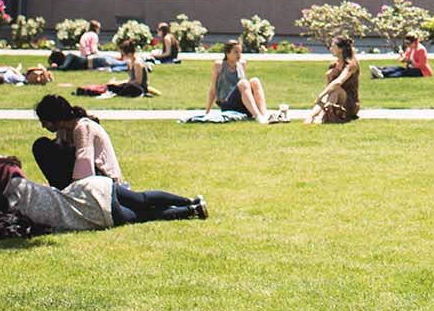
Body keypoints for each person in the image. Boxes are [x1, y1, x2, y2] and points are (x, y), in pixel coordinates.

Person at [31, 94, 204, 223]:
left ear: (55, 119)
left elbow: (84, 159)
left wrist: (75, 191)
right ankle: (192, 208)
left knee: (140, 202)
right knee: (139, 210)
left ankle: (188, 202)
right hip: (94, 181)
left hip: (105, 180)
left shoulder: (82, 128)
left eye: (44, 121)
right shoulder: (64, 131)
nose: (43, 126)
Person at [206, 41, 269, 123]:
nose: (239, 55)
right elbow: (213, 89)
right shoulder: (219, 65)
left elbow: (246, 90)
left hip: (242, 103)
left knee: (255, 81)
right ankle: (258, 117)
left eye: (240, 52)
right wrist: (207, 111)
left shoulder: (242, 63)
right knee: (243, 83)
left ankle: (264, 115)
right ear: (227, 53)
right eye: (236, 52)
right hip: (227, 103)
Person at [307, 36, 360, 124]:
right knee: (331, 93)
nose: (330, 49)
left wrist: (320, 96)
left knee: (336, 90)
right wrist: (329, 77)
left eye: (333, 46)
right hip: (334, 99)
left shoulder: (351, 64)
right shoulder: (333, 65)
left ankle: (322, 117)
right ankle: (311, 116)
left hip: (350, 103)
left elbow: (338, 82)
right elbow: (329, 87)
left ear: (340, 49)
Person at [76, 39, 151, 98]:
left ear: (130, 53)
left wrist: (120, 83)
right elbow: (131, 79)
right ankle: (88, 90)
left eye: (123, 54)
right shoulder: (130, 62)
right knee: (112, 86)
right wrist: (119, 82)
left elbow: (138, 82)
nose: (122, 57)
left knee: (115, 87)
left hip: (139, 88)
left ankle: (92, 91)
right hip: (132, 85)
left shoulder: (137, 63)